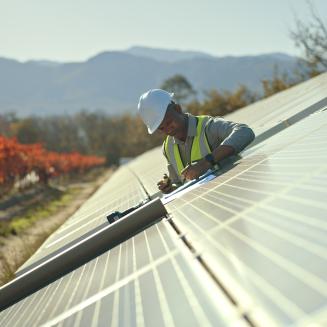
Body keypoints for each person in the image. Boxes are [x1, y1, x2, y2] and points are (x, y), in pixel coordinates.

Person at [138, 89, 255, 193]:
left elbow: (245, 132)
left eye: (168, 122)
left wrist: (206, 162)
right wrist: (170, 188)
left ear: (178, 109)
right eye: (161, 128)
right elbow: (179, 183)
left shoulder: (208, 127)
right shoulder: (168, 148)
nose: (167, 129)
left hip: (233, 192)